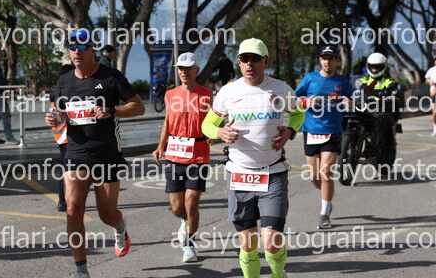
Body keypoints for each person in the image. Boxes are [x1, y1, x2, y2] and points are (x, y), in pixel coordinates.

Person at [201, 38, 305, 278]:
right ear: (239, 62)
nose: (250, 63)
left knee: (271, 242)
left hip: (273, 172)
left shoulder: (280, 89)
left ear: (266, 61)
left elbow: (299, 113)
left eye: (255, 58)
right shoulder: (228, 91)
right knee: (247, 244)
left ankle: (279, 275)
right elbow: (207, 124)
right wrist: (219, 132)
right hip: (239, 174)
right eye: (245, 58)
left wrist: (290, 131)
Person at [45, 29, 145, 278]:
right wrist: (55, 118)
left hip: (106, 155)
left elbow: (138, 107)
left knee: (107, 215)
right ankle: (82, 270)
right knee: (72, 210)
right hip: (75, 154)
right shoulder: (64, 81)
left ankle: (119, 227)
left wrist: (112, 111)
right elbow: (60, 112)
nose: (76, 51)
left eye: (82, 46)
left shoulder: (110, 76)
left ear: (93, 49)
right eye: (72, 46)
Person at [151, 52, 213, 262]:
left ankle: (189, 245)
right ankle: (184, 221)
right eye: (181, 68)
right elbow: (167, 122)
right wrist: (160, 147)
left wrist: (215, 134)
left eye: (188, 68)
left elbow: (217, 121)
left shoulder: (207, 95)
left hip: (199, 155)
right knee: (178, 208)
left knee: (192, 201)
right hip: (174, 154)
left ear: (196, 70)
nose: (184, 71)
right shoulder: (171, 95)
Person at [294, 45, 352, 229]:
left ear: (336, 60)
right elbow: (293, 98)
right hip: (311, 131)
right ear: (320, 60)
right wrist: (305, 101)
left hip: (333, 131)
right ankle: (327, 195)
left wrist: (350, 102)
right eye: (324, 58)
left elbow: (352, 102)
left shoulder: (342, 82)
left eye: (331, 58)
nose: (327, 62)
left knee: (326, 173)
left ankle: (324, 213)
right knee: (314, 176)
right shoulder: (310, 78)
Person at [49, 64, 76, 212]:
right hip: (67, 137)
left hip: (60, 137)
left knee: (66, 169)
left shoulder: (56, 93)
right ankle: (63, 201)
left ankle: (64, 200)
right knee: (67, 170)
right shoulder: (65, 94)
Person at [424, 57, 436, 136]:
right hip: (433, 93)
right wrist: (429, 81)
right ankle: (435, 126)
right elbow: (426, 79)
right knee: (434, 113)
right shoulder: (431, 70)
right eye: (435, 64)